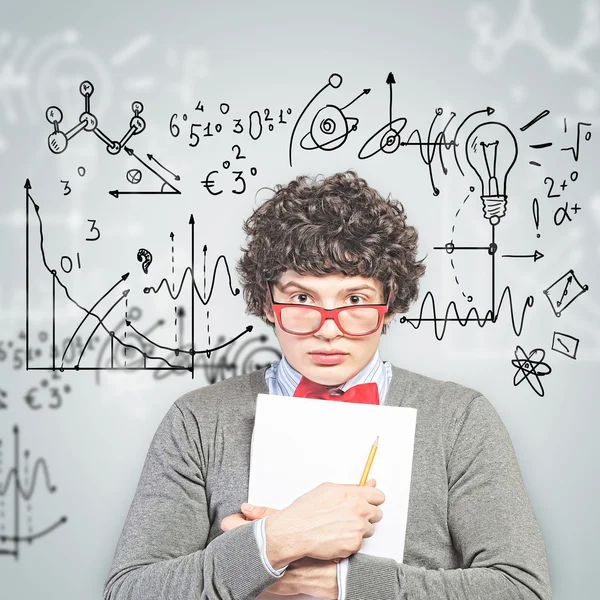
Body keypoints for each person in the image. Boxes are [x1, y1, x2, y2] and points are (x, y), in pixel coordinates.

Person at [103, 171, 552, 599]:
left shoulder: (459, 419)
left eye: (355, 300)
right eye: (302, 299)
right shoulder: (198, 421)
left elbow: (520, 589)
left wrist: (342, 583)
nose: (328, 329)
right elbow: (130, 591)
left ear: (389, 303)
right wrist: (272, 542)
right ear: (267, 302)